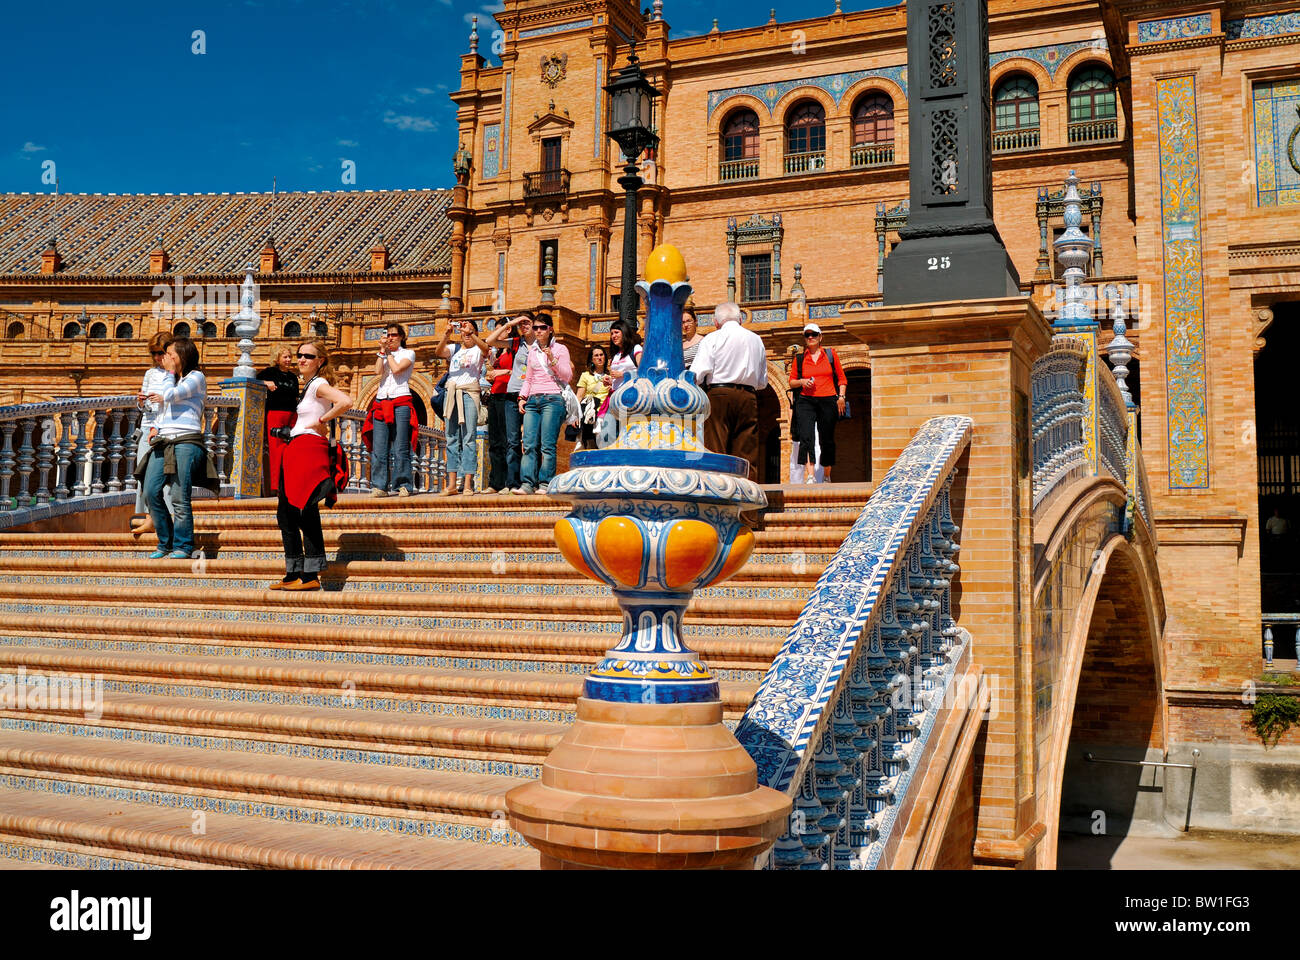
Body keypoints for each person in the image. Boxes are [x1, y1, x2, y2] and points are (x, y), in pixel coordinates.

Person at [272, 339, 352, 590]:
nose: (301, 359)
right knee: (286, 513)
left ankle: (311, 575)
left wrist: (322, 420)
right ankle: (293, 573)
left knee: (304, 510)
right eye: (299, 355)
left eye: (308, 355)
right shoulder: (307, 386)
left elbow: (345, 402)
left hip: (307, 449)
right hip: (295, 449)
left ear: (321, 361)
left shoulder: (319, 383)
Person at [137, 337, 220, 559]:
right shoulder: (170, 378)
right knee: (150, 491)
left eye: (171, 355)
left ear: (183, 356)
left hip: (186, 441)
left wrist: (169, 373)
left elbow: (172, 397)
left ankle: (183, 545)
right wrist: (156, 426)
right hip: (164, 440)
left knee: (178, 495)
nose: (166, 358)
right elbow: (162, 408)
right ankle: (166, 541)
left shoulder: (196, 378)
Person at [689, 302, 767, 479]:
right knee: (747, 450)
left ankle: (719, 497)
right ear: (740, 319)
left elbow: (697, 374)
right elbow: (762, 382)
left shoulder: (712, 338)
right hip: (749, 396)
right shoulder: (756, 339)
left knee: (716, 448)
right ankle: (748, 502)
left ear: (716, 322)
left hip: (719, 394)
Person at [515, 313, 573, 495]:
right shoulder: (532, 351)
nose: (538, 331)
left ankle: (545, 483)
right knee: (529, 443)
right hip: (533, 400)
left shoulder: (561, 349)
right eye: (536, 328)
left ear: (550, 329)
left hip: (553, 399)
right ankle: (526, 484)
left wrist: (552, 359)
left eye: (542, 328)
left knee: (547, 445)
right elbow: (529, 378)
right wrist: (522, 397)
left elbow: (567, 376)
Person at [435, 318, 490, 496]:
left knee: (468, 438)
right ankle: (451, 484)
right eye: (463, 329)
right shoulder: (455, 349)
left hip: (469, 394)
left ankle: (468, 483)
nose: (465, 332)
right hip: (452, 393)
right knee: (451, 437)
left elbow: (487, 349)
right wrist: (446, 334)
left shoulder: (477, 350)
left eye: (470, 329)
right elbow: (438, 351)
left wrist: (472, 334)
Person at [790, 323, 847, 483]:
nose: (810, 337)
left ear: (820, 337)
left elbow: (842, 379)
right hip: (805, 400)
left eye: (813, 334)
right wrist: (802, 381)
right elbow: (791, 382)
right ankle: (810, 475)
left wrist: (841, 397)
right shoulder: (800, 358)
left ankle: (827, 474)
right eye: (807, 335)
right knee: (806, 437)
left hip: (828, 399)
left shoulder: (830, 354)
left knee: (826, 438)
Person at [130, 331, 174, 535]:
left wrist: (163, 399)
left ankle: (164, 517)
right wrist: (141, 403)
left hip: (166, 428)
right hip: (148, 425)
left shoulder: (177, 374)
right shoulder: (150, 374)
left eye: (160, 352)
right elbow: (144, 407)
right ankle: (149, 517)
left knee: (165, 473)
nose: (157, 357)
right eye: (154, 353)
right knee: (144, 472)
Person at [368, 323, 416, 497]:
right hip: (382, 400)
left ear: (402, 337)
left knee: (400, 446)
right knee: (379, 447)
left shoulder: (408, 353)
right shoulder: (384, 354)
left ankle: (403, 484)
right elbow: (377, 371)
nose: (390, 338)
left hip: (400, 401)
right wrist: (382, 352)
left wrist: (387, 353)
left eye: (394, 335)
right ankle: (379, 485)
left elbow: (396, 369)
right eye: (388, 335)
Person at [259, 346, 299, 494]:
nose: (288, 360)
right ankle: (276, 487)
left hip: (292, 416)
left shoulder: (293, 377)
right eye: (285, 357)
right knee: (276, 451)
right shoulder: (270, 372)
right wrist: (265, 383)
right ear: (277, 359)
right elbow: (252, 381)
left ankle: (289, 483)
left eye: (289, 357)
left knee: (291, 450)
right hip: (275, 414)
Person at [484, 321, 518, 493]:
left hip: (508, 396)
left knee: (507, 440)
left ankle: (508, 481)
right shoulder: (499, 353)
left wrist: (503, 372)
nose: (496, 333)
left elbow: (522, 372)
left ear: (508, 329)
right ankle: (494, 482)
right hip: (495, 395)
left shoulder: (516, 350)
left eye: (499, 330)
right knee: (495, 440)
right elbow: (489, 341)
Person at [575, 345, 614, 451]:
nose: (599, 357)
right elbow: (579, 396)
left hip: (607, 415)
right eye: (596, 355)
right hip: (590, 416)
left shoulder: (612, 376)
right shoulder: (585, 375)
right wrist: (576, 415)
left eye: (601, 355)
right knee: (590, 447)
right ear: (592, 359)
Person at [609, 319, 643, 384]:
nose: (613, 336)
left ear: (624, 332)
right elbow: (618, 380)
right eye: (612, 333)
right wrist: (610, 381)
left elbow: (643, 371)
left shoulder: (636, 349)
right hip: (616, 392)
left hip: (631, 391)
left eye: (616, 332)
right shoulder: (616, 355)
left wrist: (623, 374)